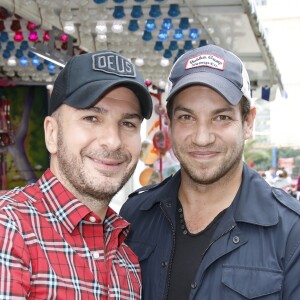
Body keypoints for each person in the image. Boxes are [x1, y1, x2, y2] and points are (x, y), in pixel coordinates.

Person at [120, 44, 300, 299]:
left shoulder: (291, 231)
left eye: (221, 117)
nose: (202, 138)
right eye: (187, 117)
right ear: (169, 124)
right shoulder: (136, 215)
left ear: (248, 123)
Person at [0, 50, 153, 298]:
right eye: (91, 118)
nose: (113, 141)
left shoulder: (127, 259)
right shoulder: (10, 228)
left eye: (128, 124)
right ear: (52, 133)